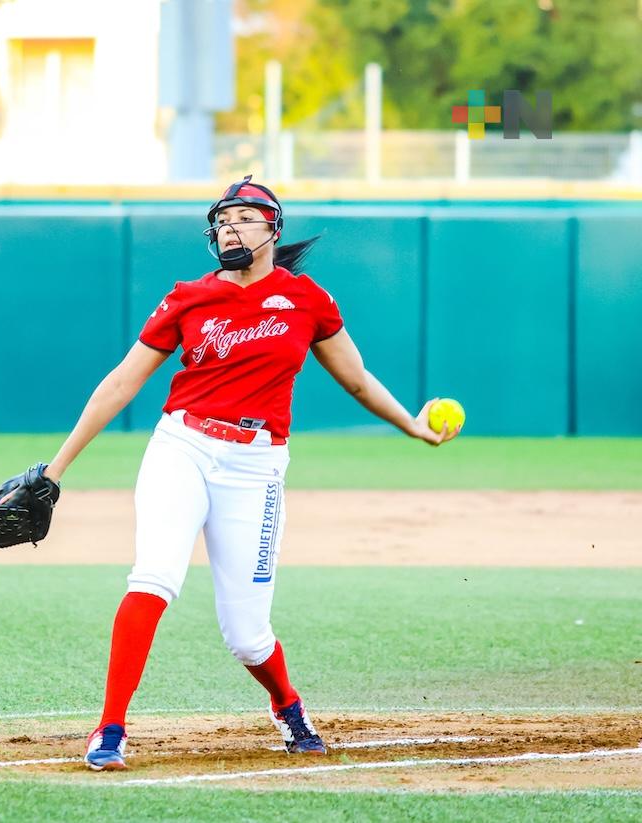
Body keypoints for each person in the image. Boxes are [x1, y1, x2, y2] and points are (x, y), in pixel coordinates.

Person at [37, 175, 460, 771]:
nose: (229, 228)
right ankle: (109, 729)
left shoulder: (307, 300)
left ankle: (287, 705)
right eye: (223, 219)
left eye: (243, 218)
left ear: (272, 230)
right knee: (154, 576)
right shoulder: (189, 297)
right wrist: (56, 469)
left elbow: (357, 379)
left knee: (247, 634)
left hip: (256, 466)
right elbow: (122, 381)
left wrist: (411, 426)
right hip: (181, 446)